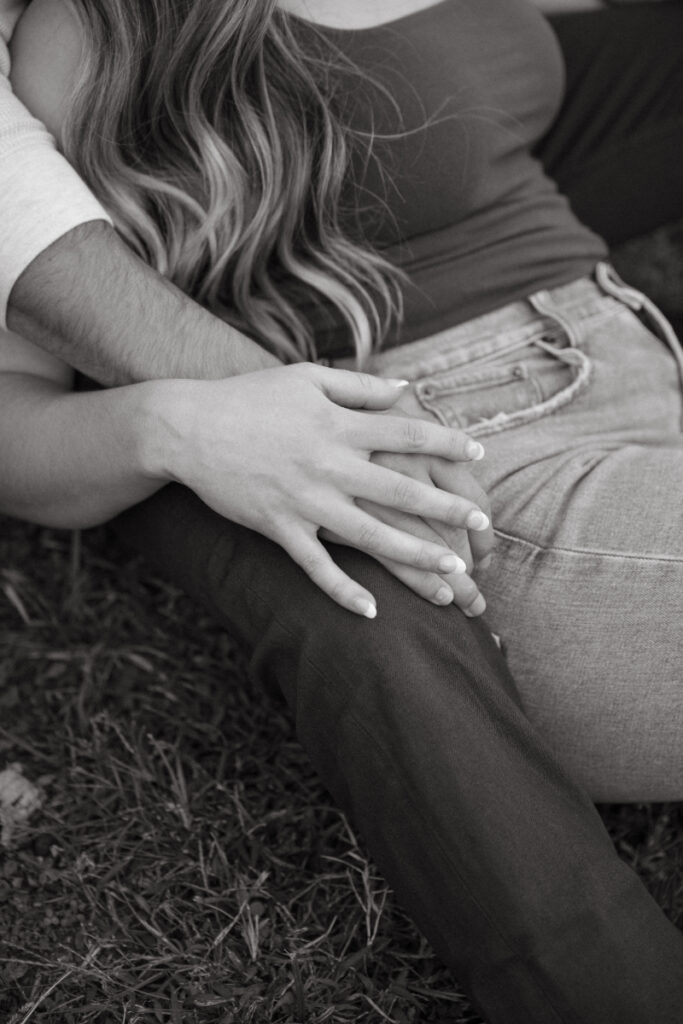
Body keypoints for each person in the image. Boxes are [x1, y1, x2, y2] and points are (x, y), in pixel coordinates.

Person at [2, 0, 683, 1020]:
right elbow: (19, 418)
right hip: (480, 481)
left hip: (630, 387)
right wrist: (174, 421)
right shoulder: (99, 35)